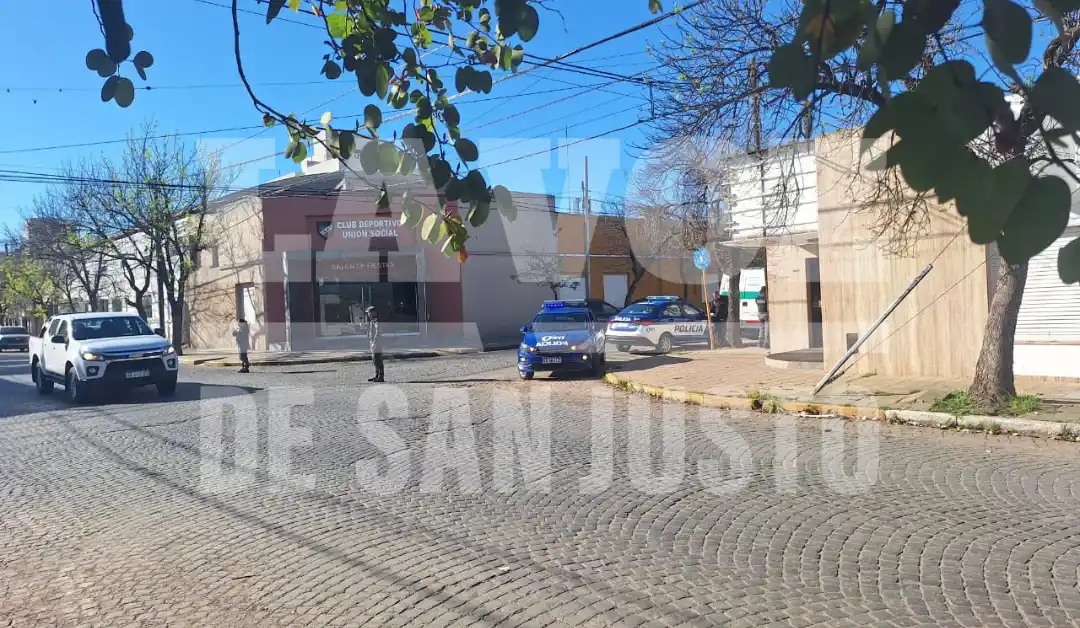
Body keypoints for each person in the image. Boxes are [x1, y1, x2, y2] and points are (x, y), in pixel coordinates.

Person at [366, 305, 384, 383]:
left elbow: (378, 331)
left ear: (373, 312)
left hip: (376, 343)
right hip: (373, 342)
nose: (368, 314)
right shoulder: (372, 320)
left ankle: (381, 376)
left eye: (369, 312)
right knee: (374, 360)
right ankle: (377, 376)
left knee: (377, 359)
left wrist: (374, 342)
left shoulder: (376, 321)